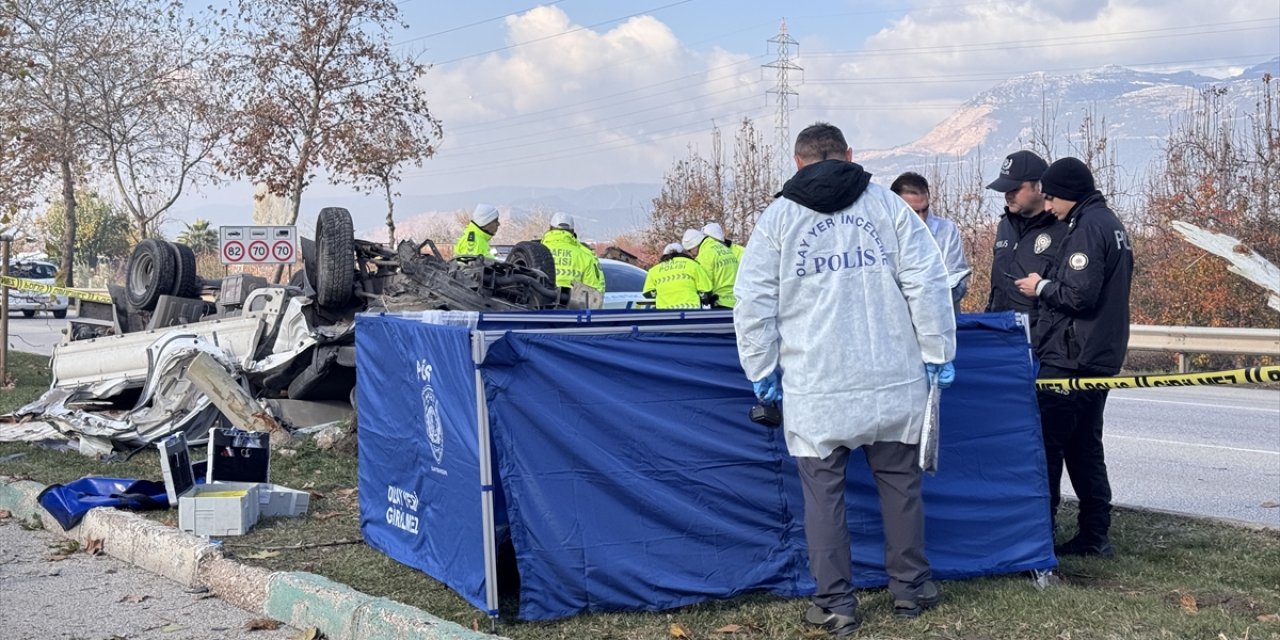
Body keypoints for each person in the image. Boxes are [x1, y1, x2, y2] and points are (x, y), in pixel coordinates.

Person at [733, 122, 956, 636]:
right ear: (850, 154)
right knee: (901, 486)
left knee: (824, 496)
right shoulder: (888, 207)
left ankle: (835, 602)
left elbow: (753, 303)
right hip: (892, 377)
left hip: (818, 383)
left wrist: (762, 370)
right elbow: (926, 282)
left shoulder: (779, 219)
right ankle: (912, 587)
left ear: (798, 162)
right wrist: (938, 351)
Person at [1014, 157, 1133, 558]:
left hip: (1071, 357)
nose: (1048, 207)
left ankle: (1038, 538)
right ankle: (1094, 534)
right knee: (1085, 448)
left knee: (1047, 449)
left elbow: (1079, 295)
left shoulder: (1087, 228)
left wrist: (1041, 286)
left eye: (1051, 198)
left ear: (1068, 194)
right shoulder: (1111, 223)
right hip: (1098, 354)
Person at [984, 150, 1068, 328]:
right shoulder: (1005, 226)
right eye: (1005, 189)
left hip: (1041, 341)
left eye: (1014, 189)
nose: (1008, 195)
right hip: (1000, 331)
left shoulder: (1063, 230)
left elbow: (1073, 292)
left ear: (1038, 187)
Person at [890, 173, 970, 315]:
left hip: (941, 318)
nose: (921, 218)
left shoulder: (946, 231)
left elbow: (958, 280)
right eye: (914, 212)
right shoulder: (884, 235)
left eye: (925, 209)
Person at [540, 212, 605, 294]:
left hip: (538, 304)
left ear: (550, 229)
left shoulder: (536, 251)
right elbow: (596, 290)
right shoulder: (585, 254)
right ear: (573, 232)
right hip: (573, 305)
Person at [642, 243, 713, 309]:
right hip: (690, 311)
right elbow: (706, 290)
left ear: (664, 255)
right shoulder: (693, 265)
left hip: (665, 314)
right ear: (682, 253)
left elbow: (647, 293)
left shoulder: (654, 270)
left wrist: (662, 293)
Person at [681, 227, 738, 309]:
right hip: (735, 301)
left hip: (720, 302)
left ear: (695, 245)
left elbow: (705, 284)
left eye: (689, 250)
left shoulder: (704, 256)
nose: (691, 254)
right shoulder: (724, 248)